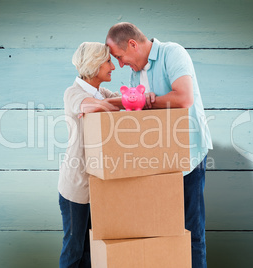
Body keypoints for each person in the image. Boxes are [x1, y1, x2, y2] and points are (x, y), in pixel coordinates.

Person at [106, 22, 213, 268]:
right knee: (161, 231)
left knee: (191, 231)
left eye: (120, 57)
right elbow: (140, 116)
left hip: (187, 156)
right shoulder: (135, 75)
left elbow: (184, 97)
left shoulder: (172, 53)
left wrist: (146, 102)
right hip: (157, 162)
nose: (120, 64)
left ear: (132, 44)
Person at [58, 42, 121, 268]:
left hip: (97, 186)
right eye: (108, 62)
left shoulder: (101, 92)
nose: (113, 67)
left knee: (90, 253)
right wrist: (115, 103)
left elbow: (123, 103)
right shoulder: (73, 93)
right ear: (94, 65)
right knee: (74, 250)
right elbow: (90, 107)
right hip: (76, 186)